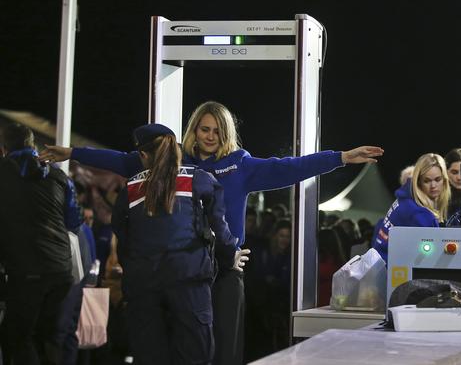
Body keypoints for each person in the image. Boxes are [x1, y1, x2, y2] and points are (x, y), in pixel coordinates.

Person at [40, 100, 383, 364]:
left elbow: (291, 167)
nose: (210, 136)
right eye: (204, 128)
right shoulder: (172, 161)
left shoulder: (243, 166)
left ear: (227, 134)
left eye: (217, 131)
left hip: (223, 271)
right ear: (194, 129)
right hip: (183, 272)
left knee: (223, 351)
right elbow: (123, 160)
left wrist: (340, 157)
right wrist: (73, 153)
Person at [110, 123, 238, 364]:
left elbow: (122, 235)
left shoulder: (130, 189)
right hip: (189, 281)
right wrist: (230, 254)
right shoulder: (199, 179)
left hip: (143, 286)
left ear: (143, 155)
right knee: (195, 356)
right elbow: (220, 230)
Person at [0, 123, 81, 365]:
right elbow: (74, 222)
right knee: (46, 338)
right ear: (32, 145)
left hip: (27, 270)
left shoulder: (3, 172)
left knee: (17, 338)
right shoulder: (59, 176)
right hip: (61, 271)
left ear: (4, 147)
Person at [372, 153, 450, 262]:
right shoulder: (420, 214)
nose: (433, 186)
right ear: (418, 181)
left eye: (437, 179)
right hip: (390, 272)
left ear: (444, 180)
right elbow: (433, 259)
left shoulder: (404, 199)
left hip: (380, 266)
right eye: (427, 181)